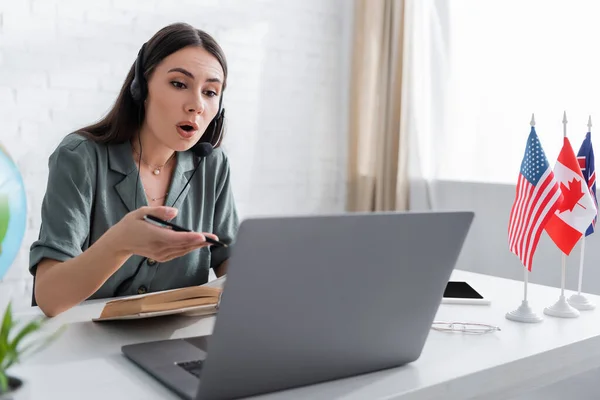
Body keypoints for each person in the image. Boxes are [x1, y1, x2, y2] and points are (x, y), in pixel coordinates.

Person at [28, 22, 240, 317]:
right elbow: (49, 296)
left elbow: (231, 260)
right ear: (142, 87)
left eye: (211, 92)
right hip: (81, 347)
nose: (196, 105)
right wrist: (119, 244)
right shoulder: (80, 158)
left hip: (173, 345)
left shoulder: (213, 165)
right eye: (179, 84)